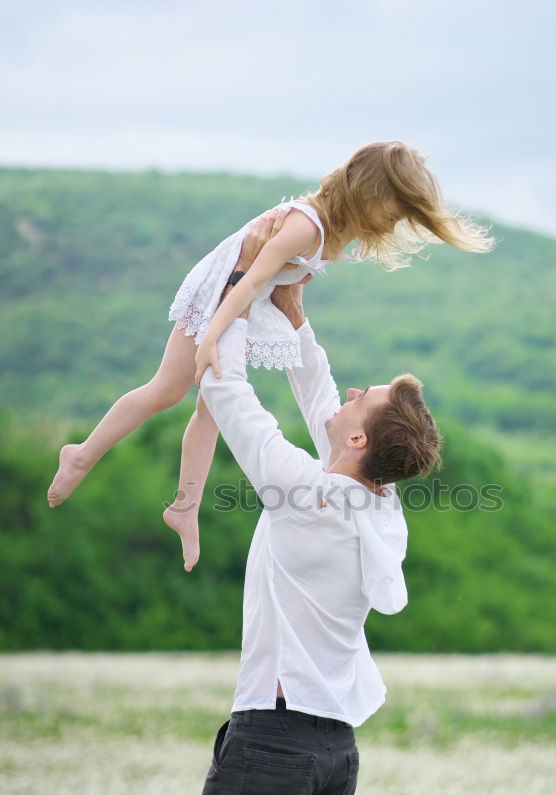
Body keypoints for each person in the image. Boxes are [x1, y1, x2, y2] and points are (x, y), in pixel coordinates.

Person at [178, 211, 442, 795]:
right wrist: (295, 322)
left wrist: (231, 294)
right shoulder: (379, 504)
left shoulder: (304, 490)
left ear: (362, 444)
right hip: (333, 756)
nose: (353, 391)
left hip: (270, 744)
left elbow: (225, 391)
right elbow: (324, 394)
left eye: (368, 400)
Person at [46, 140, 494, 572]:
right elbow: (251, 277)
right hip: (226, 290)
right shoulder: (307, 226)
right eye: (392, 213)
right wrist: (213, 333)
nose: (392, 225)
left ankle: (185, 507)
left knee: (213, 410)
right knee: (167, 390)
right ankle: (81, 454)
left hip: (251, 300)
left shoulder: (336, 236)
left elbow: (282, 285)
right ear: (368, 193)